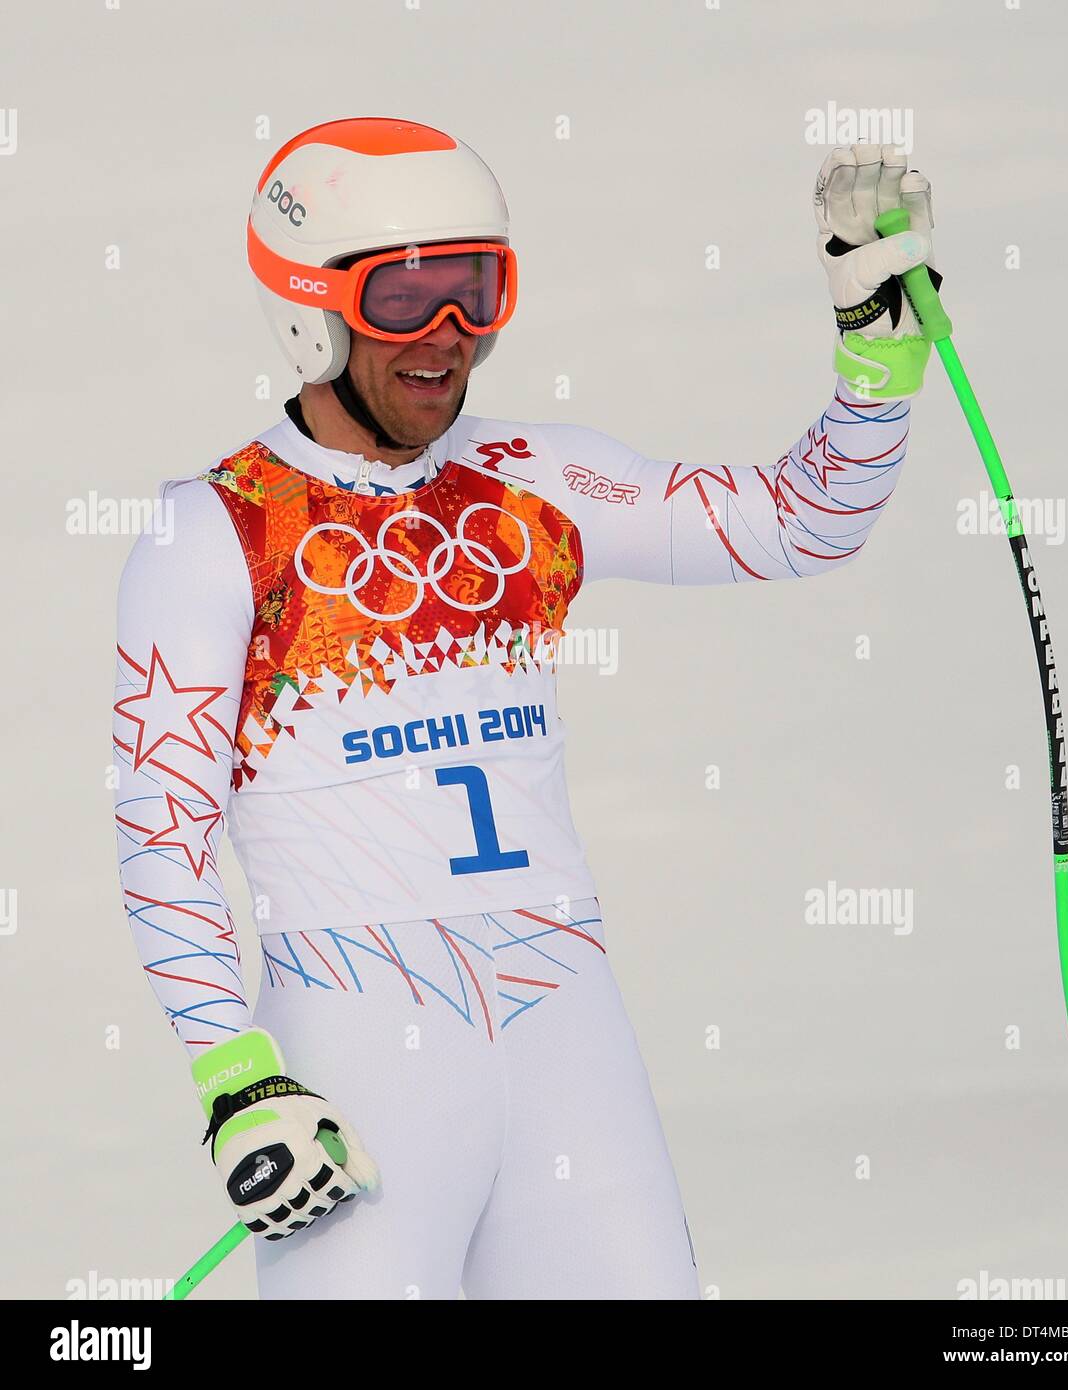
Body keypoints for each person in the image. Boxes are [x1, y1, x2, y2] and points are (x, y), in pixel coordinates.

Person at [113, 117, 938, 1299]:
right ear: (310, 310)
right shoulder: (211, 530)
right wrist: (238, 1078)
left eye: (478, 289)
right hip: (355, 1046)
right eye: (407, 299)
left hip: (564, 1025)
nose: (449, 337)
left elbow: (803, 521)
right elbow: (162, 834)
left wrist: (877, 353)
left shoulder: (537, 477)